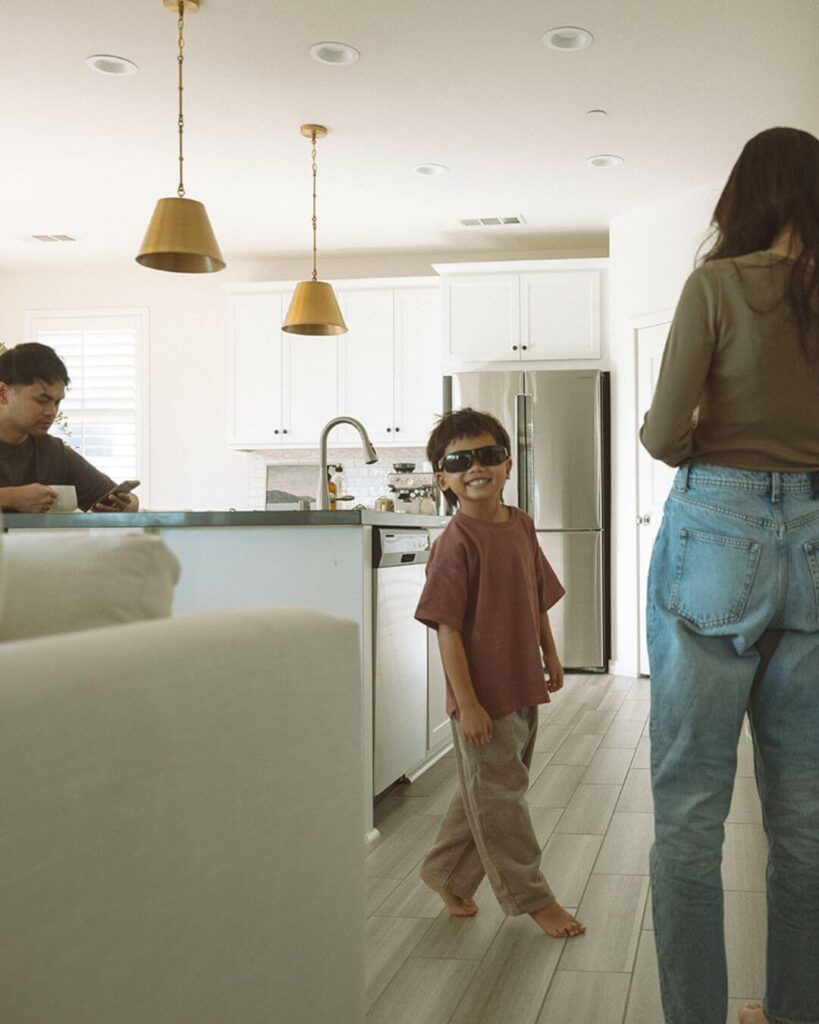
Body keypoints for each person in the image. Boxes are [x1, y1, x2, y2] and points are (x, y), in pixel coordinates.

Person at [640, 126, 819, 1024]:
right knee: (806, 825)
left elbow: (663, 437)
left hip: (715, 525)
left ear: (743, 196)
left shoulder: (713, 285)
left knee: (689, 807)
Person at [414, 407, 585, 939]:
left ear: (508, 465)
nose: (475, 467)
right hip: (482, 697)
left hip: (522, 685)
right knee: (503, 800)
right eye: (459, 461)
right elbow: (446, 629)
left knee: (487, 791)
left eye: (488, 455)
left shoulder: (522, 526)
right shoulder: (454, 545)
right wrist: (467, 704)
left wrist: (550, 655)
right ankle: (534, 898)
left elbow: (536, 598)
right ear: (443, 479)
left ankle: (444, 872)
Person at [0, 342, 139, 513]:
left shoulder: (53, 453)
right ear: (3, 393)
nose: (51, 412)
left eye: (57, 402)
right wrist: (10, 497)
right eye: (42, 400)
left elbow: (110, 495)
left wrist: (129, 503)